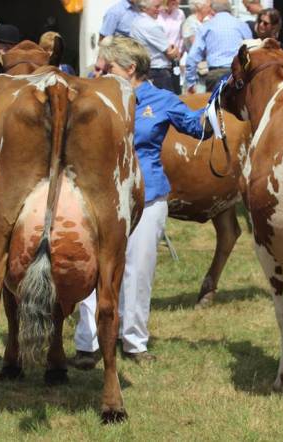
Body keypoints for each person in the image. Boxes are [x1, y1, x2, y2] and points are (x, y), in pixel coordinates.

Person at [71, 36, 211, 367]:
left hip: (147, 196)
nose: (100, 70)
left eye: (109, 66)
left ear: (131, 69)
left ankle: (134, 341)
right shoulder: (93, 94)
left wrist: (220, 102)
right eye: (100, 66)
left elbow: (195, 126)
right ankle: (87, 342)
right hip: (98, 196)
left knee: (138, 270)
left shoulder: (160, 99)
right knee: (93, 269)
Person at [185, 0, 252, 93]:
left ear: (212, 10)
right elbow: (251, 50)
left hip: (216, 75)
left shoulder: (206, 26)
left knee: (215, 107)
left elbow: (192, 56)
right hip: (239, 74)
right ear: (229, 9)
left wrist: (190, 82)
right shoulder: (242, 25)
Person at [131, 0, 179, 93]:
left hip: (145, 71)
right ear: (145, 8)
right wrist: (175, 50)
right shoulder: (151, 25)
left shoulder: (136, 21)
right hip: (158, 73)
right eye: (156, 7)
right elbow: (172, 54)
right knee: (167, 105)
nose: (160, 9)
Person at [157, 0, 185, 92]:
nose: (178, 1)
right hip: (160, 58)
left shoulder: (180, 13)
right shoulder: (157, 13)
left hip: (175, 58)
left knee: (176, 89)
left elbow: (182, 36)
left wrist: (180, 52)